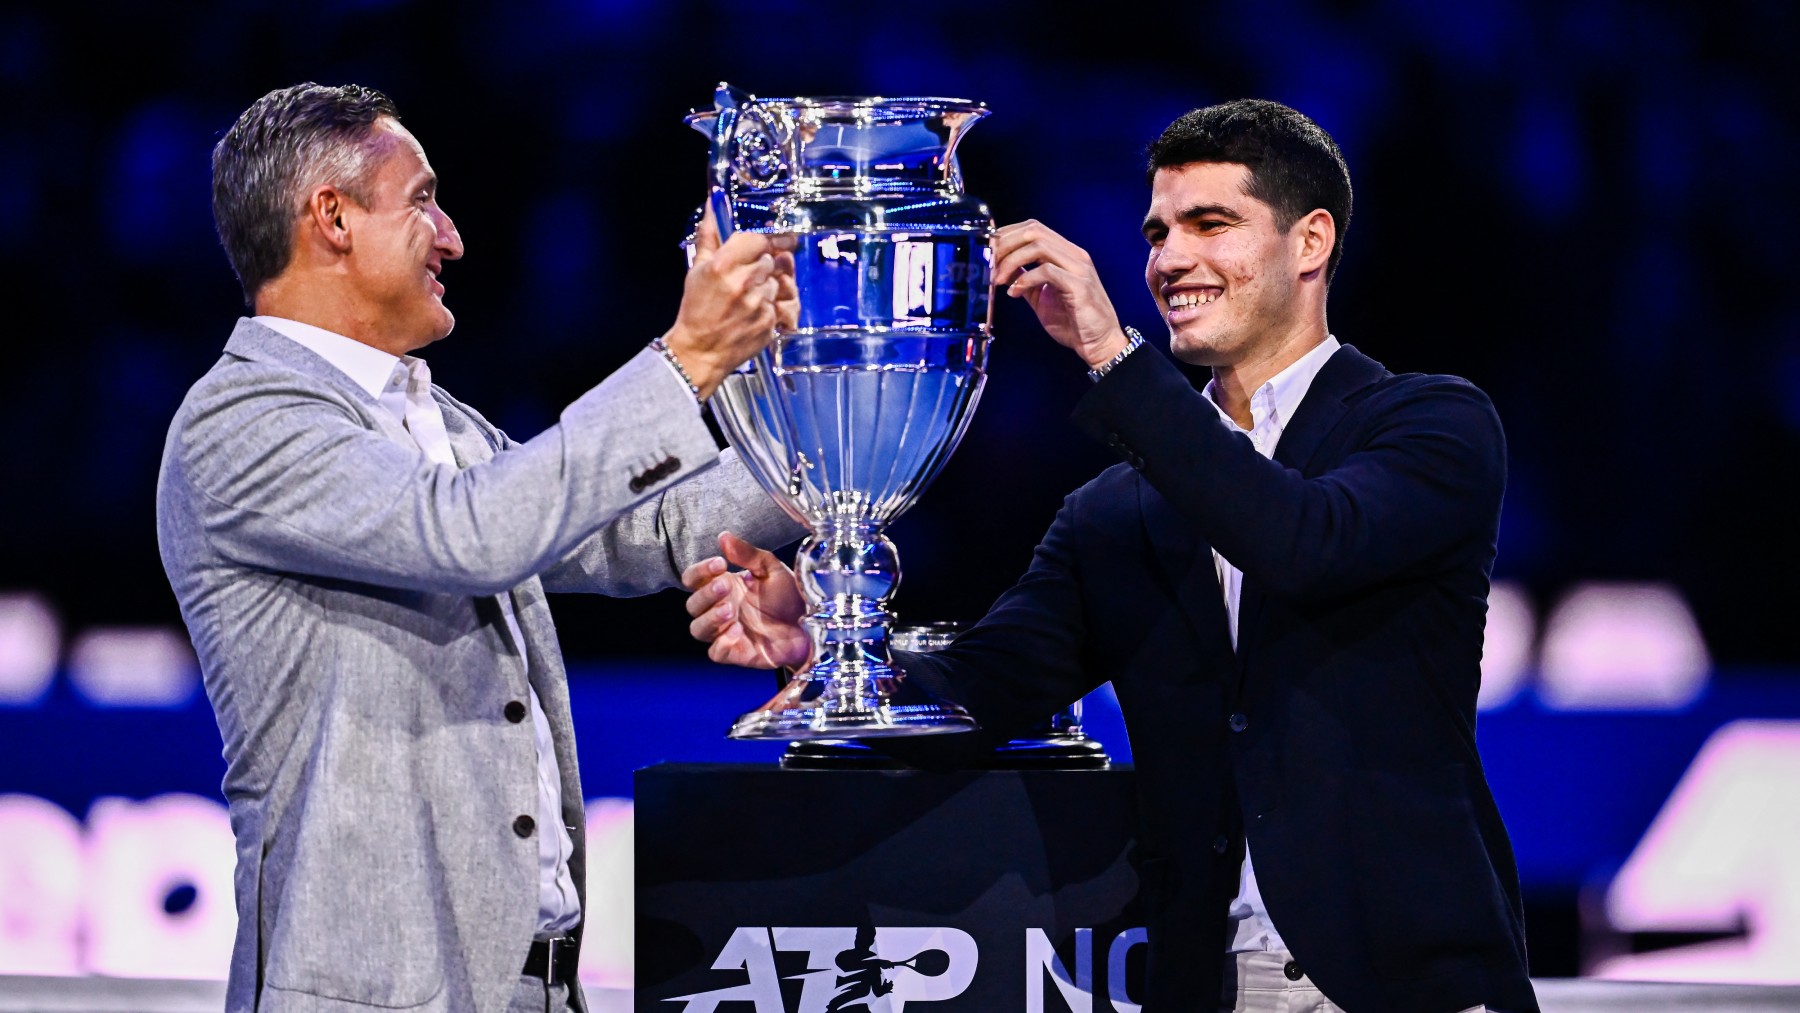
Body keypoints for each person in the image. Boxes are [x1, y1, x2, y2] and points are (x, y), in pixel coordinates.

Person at [682, 99, 1539, 1013]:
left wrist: (1110, 351)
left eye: (1213, 223)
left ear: (1311, 241)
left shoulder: (1431, 424)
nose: (1170, 259)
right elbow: (989, 684)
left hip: (1412, 980)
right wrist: (829, 646)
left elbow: (1301, 540)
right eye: (1158, 232)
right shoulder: (1117, 509)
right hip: (1207, 981)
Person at [156, 83, 803, 1013]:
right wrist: (686, 357)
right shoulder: (242, 420)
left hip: (532, 988)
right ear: (331, 218)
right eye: (422, 199)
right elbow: (473, 532)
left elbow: (642, 530)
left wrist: (844, 440)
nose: (454, 236)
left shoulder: (427, 417)